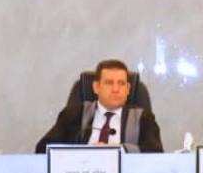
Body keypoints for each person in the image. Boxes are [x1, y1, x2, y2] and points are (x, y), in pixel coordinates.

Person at [34, 59, 162, 153]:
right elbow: (43, 148)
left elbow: (156, 152)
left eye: (121, 83)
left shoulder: (143, 118)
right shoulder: (74, 114)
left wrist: (119, 149)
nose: (116, 89)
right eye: (109, 83)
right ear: (96, 87)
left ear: (128, 89)